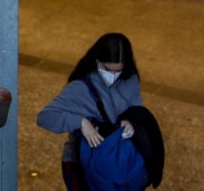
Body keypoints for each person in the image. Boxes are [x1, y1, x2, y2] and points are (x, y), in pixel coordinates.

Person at [37, 33, 160, 191]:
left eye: (118, 71)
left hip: (120, 160)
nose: (113, 76)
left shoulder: (130, 80)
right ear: (97, 61)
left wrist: (130, 121)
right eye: (108, 69)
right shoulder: (79, 88)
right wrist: (80, 122)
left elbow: (136, 110)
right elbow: (44, 117)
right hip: (82, 165)